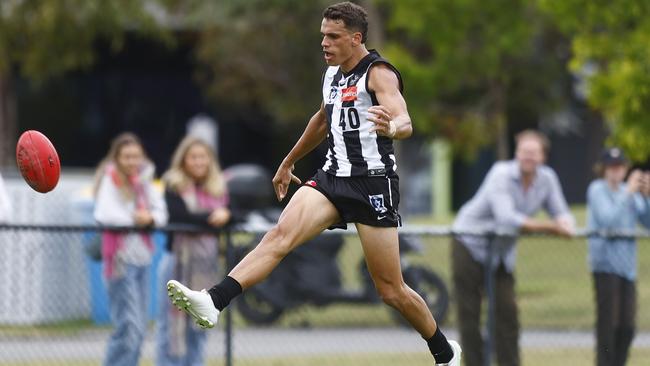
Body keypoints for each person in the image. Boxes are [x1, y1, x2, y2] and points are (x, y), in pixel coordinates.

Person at [165, 2, 461, 365]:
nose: (324, 42)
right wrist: (288, 161)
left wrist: (393, 127)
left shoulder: (379, 73)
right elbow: (322, 119)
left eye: (333, 36)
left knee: (391, 290)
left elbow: (404, 120)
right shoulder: (332, 75)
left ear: (356, 38)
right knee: (278, 236)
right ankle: (214, 301)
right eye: (322, 35)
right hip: (332, 177)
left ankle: (444, 352)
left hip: (372, 185)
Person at [451, 130, 575, 366]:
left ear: (543, 157)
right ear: (516, 153)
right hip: (469, 243)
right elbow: (507, 218)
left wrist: (566, 223)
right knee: (470, 316)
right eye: (523, 151)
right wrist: (553, 227)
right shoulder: (501, 174)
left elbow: (563, 213)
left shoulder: (547, 179)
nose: (527, 156)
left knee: (507, 314)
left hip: (500, 255)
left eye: (533, 152)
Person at [94, 132, 168, 366]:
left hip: (143, 260)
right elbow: (105, 214)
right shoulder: (110, 180)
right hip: (120, 261)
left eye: (136, 156)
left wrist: (151, 218)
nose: (132, 161)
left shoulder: (144, 182)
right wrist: (136, 218)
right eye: (126, 156)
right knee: (128, 326)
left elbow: (161, 213)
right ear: (116, 158)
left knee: (139, 328)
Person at [156, 136, 230, 366]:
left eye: (202, 157)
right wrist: (213, 216)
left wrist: (227, 215)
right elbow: (180, 216)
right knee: (171, 326)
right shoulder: (173, 185)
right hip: (176, 263)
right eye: (193, 157)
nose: (198, 162)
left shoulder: (219, 188)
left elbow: (234, 213)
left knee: (200, 323)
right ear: (184, 160)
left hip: (205, 267)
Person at [587, 147, 650, 366]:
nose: (616, 171)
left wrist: (648, 197)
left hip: (627, 268)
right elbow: (607, 221)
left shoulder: (630, 193)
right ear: (604, 169)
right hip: (605, 266)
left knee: (627, 326)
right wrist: (628, 194)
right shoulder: (597, 190)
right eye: (611, 167)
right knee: (608, 325)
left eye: (620, 166)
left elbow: (648, 223)